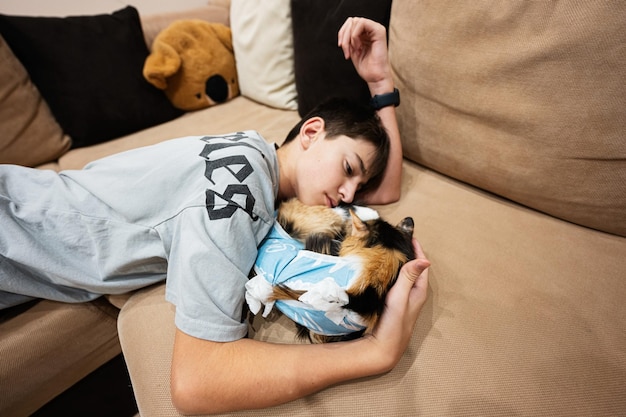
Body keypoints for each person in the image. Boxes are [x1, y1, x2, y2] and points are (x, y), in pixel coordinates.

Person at [0, 17, 430, 414]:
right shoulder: (240, 195)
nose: (350, 195)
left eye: (358, 187)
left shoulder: (248, 150)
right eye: (349, 170)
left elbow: (387, 189)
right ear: (311, 132)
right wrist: (375, 352)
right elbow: (195, 382)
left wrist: (380, 81)